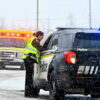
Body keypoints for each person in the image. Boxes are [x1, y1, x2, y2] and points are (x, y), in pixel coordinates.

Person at [21, 31, 44, 97]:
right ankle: (29, 93)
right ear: (39, 35)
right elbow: (40, 48)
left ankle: (28, 93)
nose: (42, 38)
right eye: (42, 36)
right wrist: (46, 49)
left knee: (29, 77)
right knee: (29, 77)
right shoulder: (35, 40)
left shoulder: (33, 39)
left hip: (29, 59)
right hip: (29, 60)